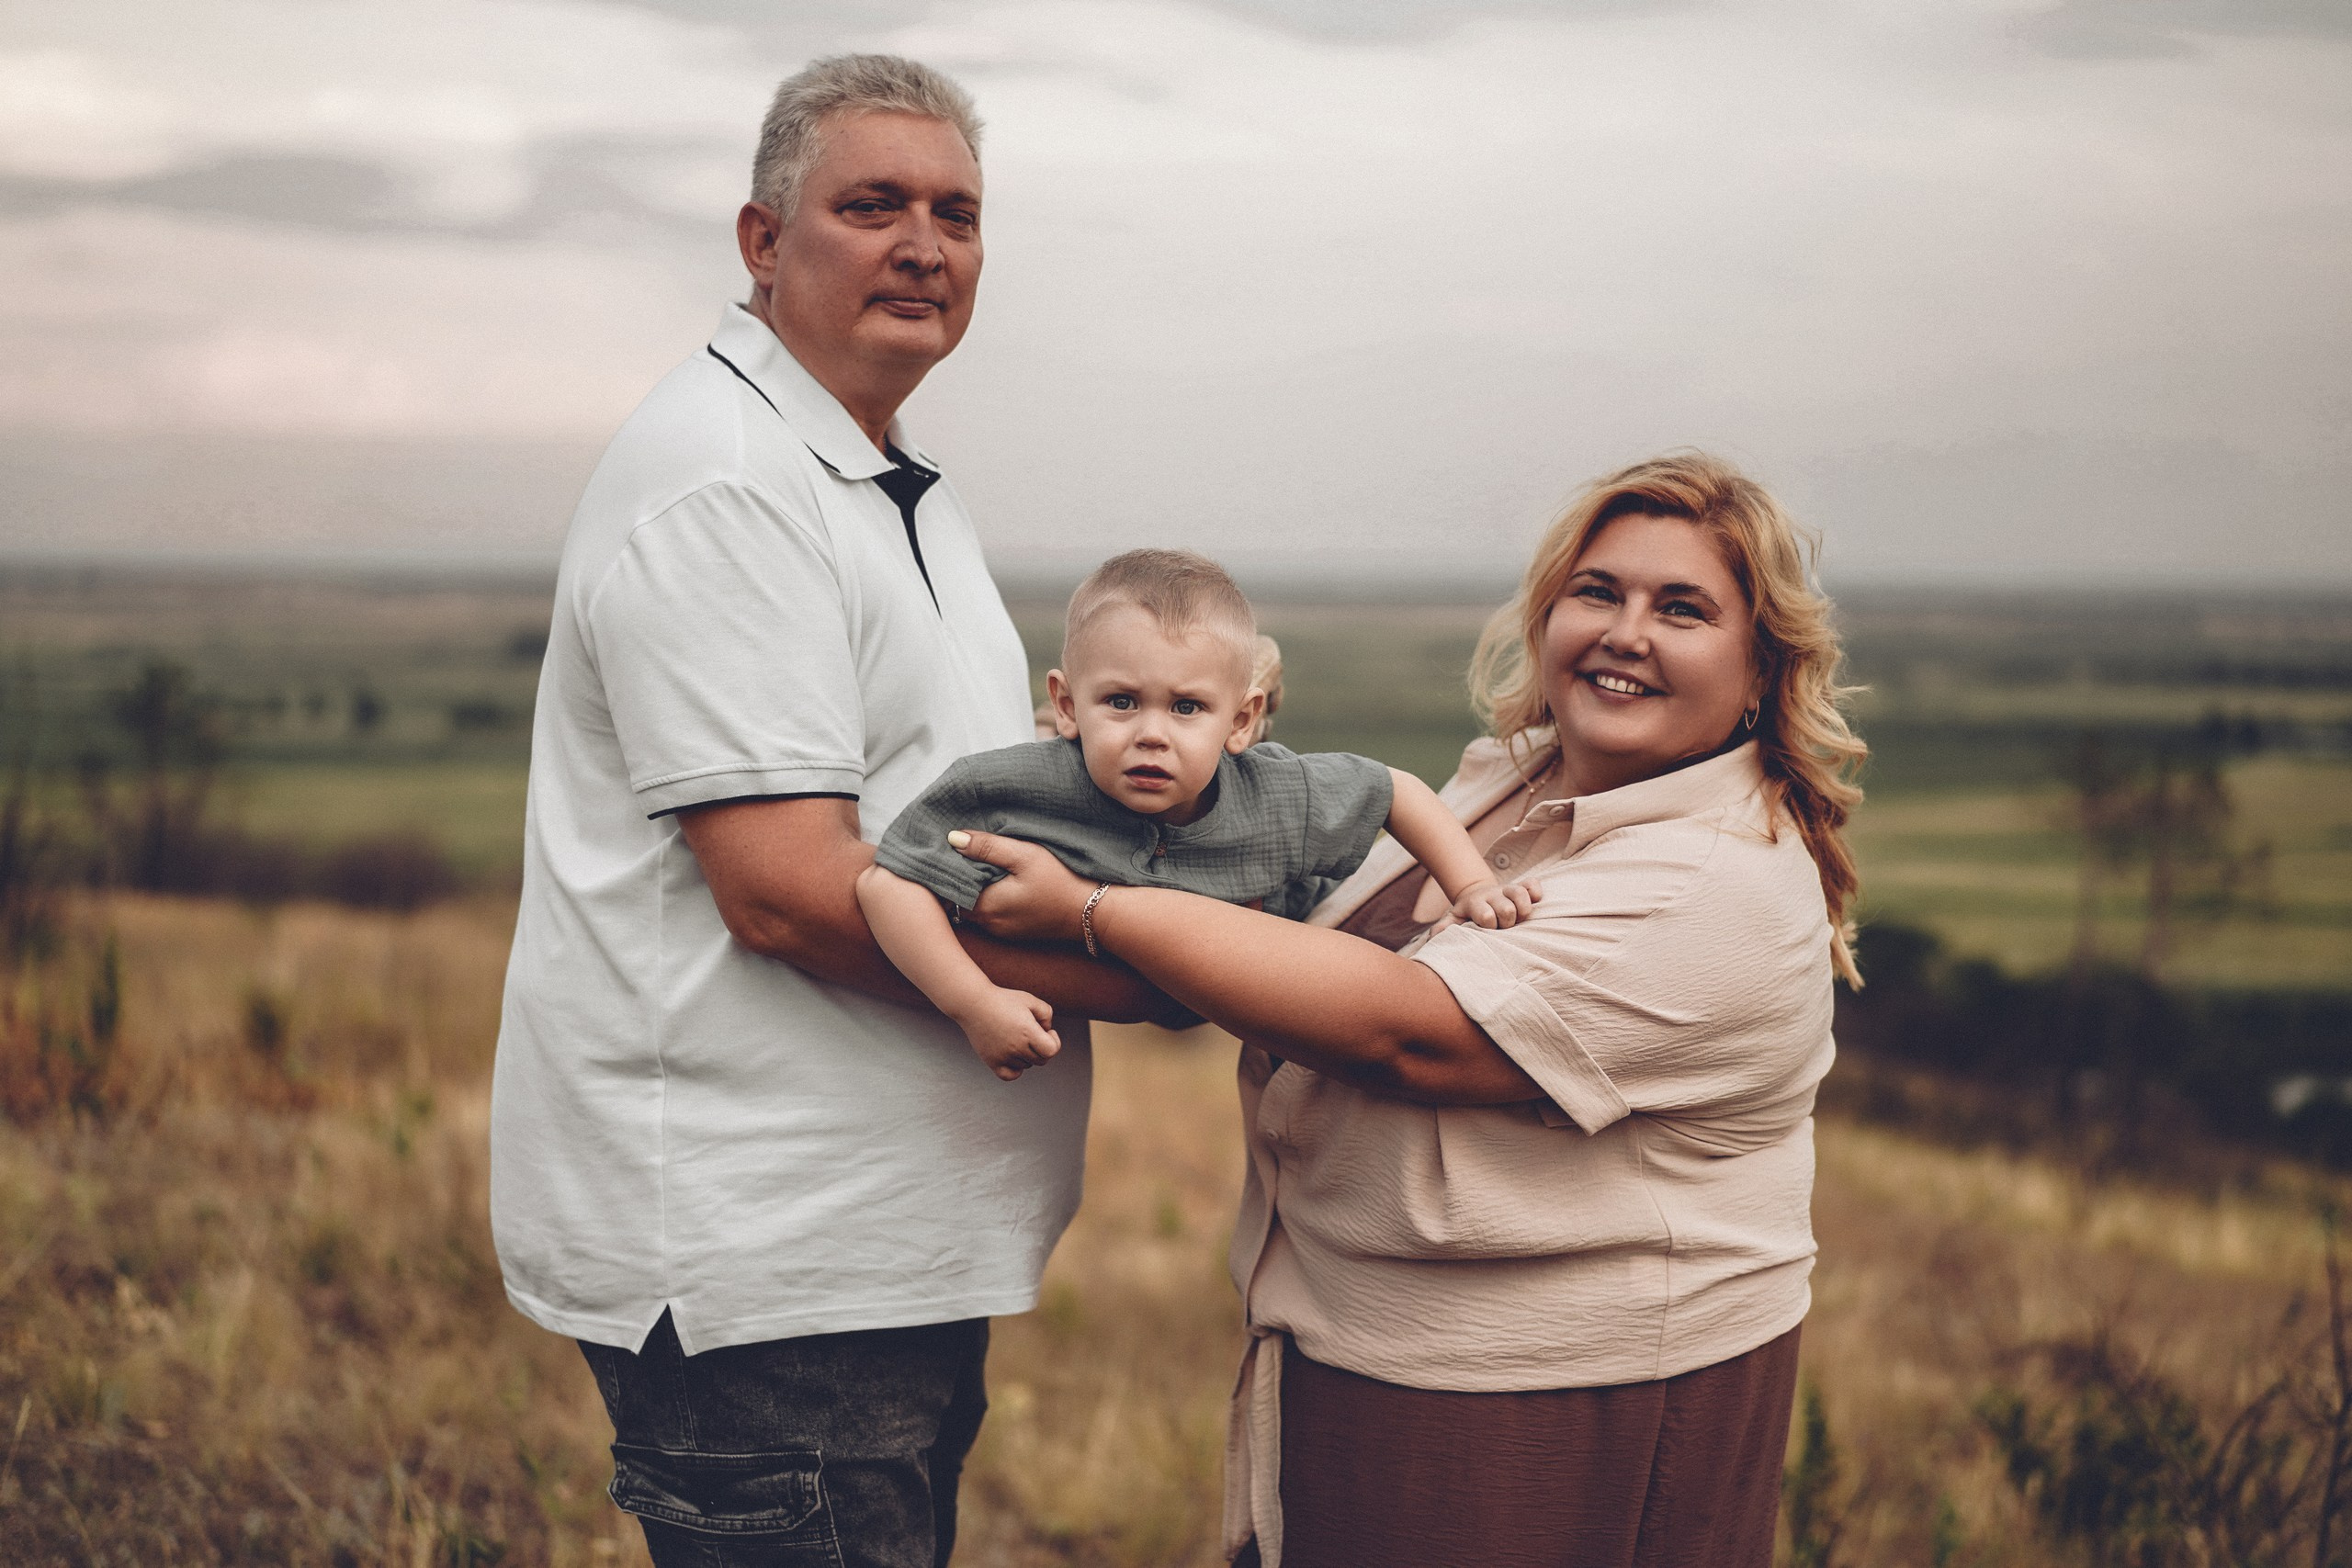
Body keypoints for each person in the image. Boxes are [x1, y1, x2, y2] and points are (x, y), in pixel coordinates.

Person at [488, 54, 1173, 1568]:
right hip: (772, 1274)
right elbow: (793, 888)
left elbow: (970, 828)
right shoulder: (728, 483)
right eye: (872, 206)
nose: (925, 244)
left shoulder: (880, 476)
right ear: (761, 239)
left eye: (958, 214)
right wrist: (1146, 968)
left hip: (872, 1256)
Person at [951, 452, 1867, 1567]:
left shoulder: (1713, 877)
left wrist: (1093, 906)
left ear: (1763, 668)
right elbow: (1266, 946)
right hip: (1360, 1351)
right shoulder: (1506, 783)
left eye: (1682, 610)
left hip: (1565, 1406)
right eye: (1598, 593)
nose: (1627, 632)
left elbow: (1407, 1027)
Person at [855, 548, 1541, 1079]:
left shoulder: (1276, 794)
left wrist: (1472, 884)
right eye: (1121, 701)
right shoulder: (1005, 790)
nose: (1151, 733)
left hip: (1276, 938)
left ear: (1241, 721)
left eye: (1186, 707)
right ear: (1067, 703)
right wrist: (972, 1002)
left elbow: (1395, 790)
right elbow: (885, 885)